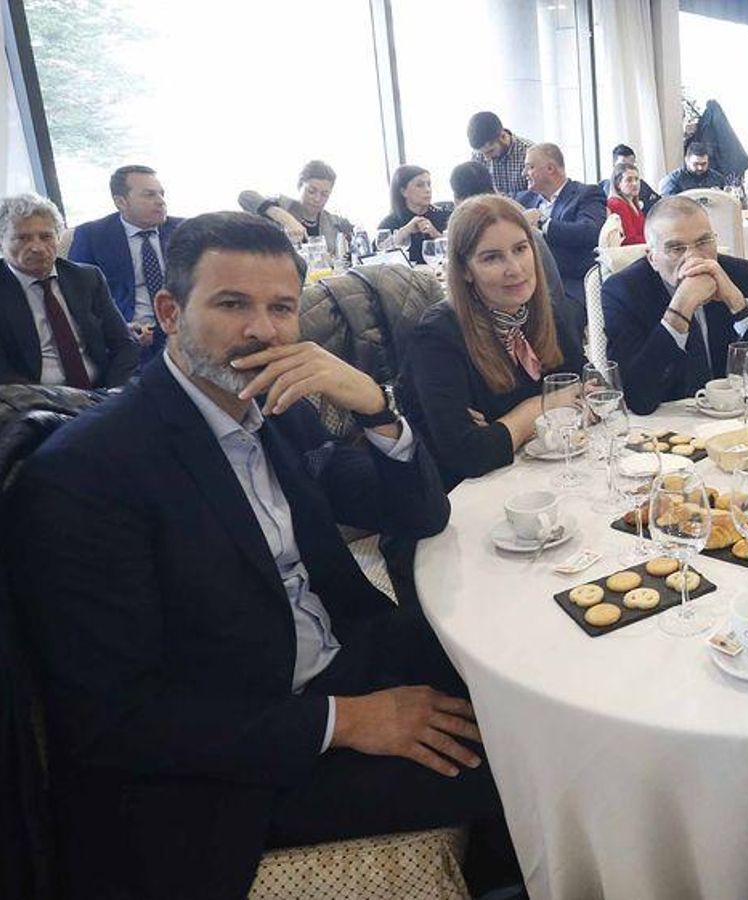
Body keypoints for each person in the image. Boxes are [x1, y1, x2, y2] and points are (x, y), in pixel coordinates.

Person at [4, 211, 520, 899]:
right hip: (233, 763)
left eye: (281, 308)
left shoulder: (273, 405)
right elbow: (113, 721)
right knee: (524, 760)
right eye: (231, 304)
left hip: (338, 655)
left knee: (534, 692)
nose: (263, 330)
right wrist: (348, 721)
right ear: (167, 311)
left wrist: (374, 405)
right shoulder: (86, 474)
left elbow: (419, 512)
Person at [398, 195, 585, 489]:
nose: (515, 268)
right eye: (491, 257)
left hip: (545, 478)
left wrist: (503, 428)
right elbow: (470, 455)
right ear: (464, 270)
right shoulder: (436, 338)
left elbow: (591, 393)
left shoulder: (546, 310)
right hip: (466, 499)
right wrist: (540, 407)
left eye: (521, 249)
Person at [602, 196, 748, 416]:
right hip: (665, 425)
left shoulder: (744, 276)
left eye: (704, 242)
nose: (693, 257)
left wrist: (738, 304)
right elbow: (637, 398)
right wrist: (679, 310)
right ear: (652, 258)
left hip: (738, 418)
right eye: (676, 248)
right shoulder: (623, 290)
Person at [0, 193, 136, 387]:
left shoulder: (86, 278)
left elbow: (124, 345)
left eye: (46, 236)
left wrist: (112, 394)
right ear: (1, 242)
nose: (37, 247)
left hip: (100, 391)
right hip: (34, 403)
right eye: (23, 238)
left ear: (58, 238)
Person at [67, 164, 185, 355]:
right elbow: (78, 295)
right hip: (129, 333)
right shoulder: (92, 236)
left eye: (161, 194)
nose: (161, 201)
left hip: (182, 328)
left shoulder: (184, 229)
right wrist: (121, 327)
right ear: (121, 202)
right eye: (149, 195)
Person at [514, 142, 607, 326]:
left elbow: (590, 231)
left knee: (554, 320)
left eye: (530, 167)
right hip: (526, 284)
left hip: (569, 283)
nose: (524, 174)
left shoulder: (585, 194)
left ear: (550, 168)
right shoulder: (522, 200)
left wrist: (543, 222)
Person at [238, 159, 354, 248]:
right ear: (300, 186)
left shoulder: (333, 222)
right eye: (311, 191)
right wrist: (286, 219)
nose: (317, 199)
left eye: (324, 194)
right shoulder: (281, 205)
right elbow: (245, 196)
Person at [377, 165, 452, 265]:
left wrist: (436, 235)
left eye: (429, 184)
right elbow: (377, 254)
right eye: (420, 185)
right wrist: (404, 232)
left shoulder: (445, 216)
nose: (428, 190)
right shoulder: (391, 222)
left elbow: (459, 251)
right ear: (403, 192)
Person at [466, 110, 534, 197]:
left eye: (490, 151)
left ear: (503, 136)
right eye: (482, 153)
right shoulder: (478, 156)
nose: (487, 158)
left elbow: (538, 195)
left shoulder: (528, 153)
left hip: (523, 209)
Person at [597, 143, 661, 212]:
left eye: (631, 164)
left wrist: (643, 205)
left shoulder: (641, 185)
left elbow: (659, 203)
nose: (628, 168)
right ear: (614, 165)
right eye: (623, 165)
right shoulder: (602, 189)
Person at [659, 142, 728, 196]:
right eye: (696, 164)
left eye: (704, 164)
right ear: (686, 160)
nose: (700, 168)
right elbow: (668, 205)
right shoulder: (672, 181)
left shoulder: (717, 179)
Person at [606, 161, 648, 246]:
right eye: (629, 180)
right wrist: (654, 240)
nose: (635, 184)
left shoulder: (633, 203)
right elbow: (629, 239)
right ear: (618, 184)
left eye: (636, 179)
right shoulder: (616, 204)